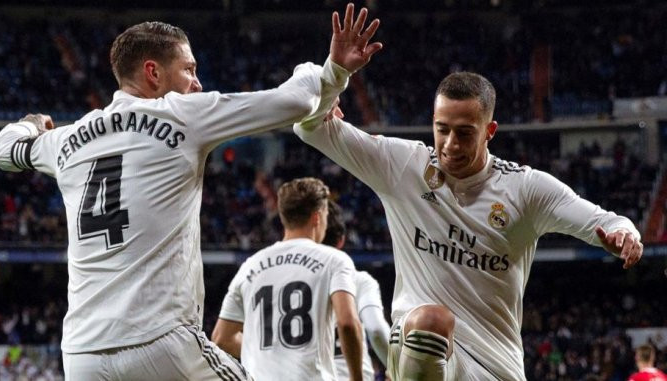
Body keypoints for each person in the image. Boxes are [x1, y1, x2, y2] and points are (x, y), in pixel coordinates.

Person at [0, 4, 382, 379]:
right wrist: (327, 72)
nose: (197, 82)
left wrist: (32, 124)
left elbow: (3, 150)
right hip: (161, 341)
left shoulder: (67, 141)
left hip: (81, 353)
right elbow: (297, 99)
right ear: (152, 73)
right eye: (189, 69)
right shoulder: (182, 114)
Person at [293, 72, 644, 380]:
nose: (450, 144)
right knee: (428, 323)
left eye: (464, 133)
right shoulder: (403, 166)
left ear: (490, 131)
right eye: (441, 129)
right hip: (420, 347)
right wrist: (336, 72)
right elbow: (308, 126)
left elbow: (604, 220)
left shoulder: (525, 189)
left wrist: (625, 234)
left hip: (495, 367)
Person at [212, 178, 363, 380]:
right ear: (317, 217)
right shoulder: (334, 260)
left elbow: (221, 337)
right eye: (326, 215)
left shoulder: (250, 266)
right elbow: (347, 323)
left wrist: (266, 356)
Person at [324, 200, 391, 381]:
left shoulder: (290, 282)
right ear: (341, 241)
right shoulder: (359, 280)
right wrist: (397, 369)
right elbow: (376, 330)